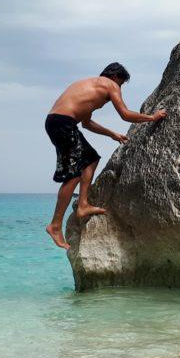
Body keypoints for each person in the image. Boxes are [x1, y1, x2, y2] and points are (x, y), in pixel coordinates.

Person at [43, 62, 167, 250]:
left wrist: (112, 134)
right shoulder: (109, 84)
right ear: (116, 77)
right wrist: (152, 117)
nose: (120, 88)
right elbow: (125, 114)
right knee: (74, 174)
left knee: (91, 159)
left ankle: (83, 204)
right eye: (122, 84)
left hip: (60, 122)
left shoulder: (90, 87)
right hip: (62, 124)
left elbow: (86, 123)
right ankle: (54, 225)